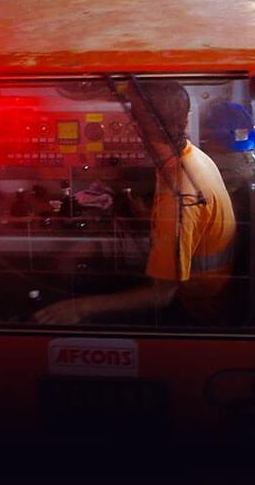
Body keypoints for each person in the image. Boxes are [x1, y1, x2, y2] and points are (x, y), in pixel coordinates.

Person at [33, 79, 236, 326]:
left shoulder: (180, 196)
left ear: (141, 126)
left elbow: (161, 295)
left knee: (74, 295)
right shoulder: (190, 157)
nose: (130, 121)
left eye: (134, 114)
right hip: (188, 288)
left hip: (192, 308)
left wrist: (80, 308)